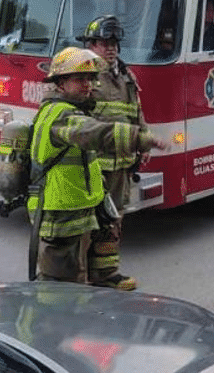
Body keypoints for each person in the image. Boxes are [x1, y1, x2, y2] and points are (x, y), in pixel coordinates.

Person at [28, 46, 164, 287]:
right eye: (79, 79)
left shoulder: (73, 110)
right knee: (61, 290)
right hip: (61, 215)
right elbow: (95, 132)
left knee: (75, 281)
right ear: (60, 84)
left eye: (90, 79)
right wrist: (140, 139)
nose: (87, 85)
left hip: (75, 207)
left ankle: (101, 282)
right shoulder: (60, 114)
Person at [77, 15, 151, 290]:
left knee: (113, 220)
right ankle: (77, 278)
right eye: (105, 43)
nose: (111, 49)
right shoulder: (82, 74)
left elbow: (136, 111)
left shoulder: (125, 74)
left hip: (120, 163)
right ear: (91, 44)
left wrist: (142, 140)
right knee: (85, 222)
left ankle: (106, 274)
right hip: (92, 164)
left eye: (115, 43)